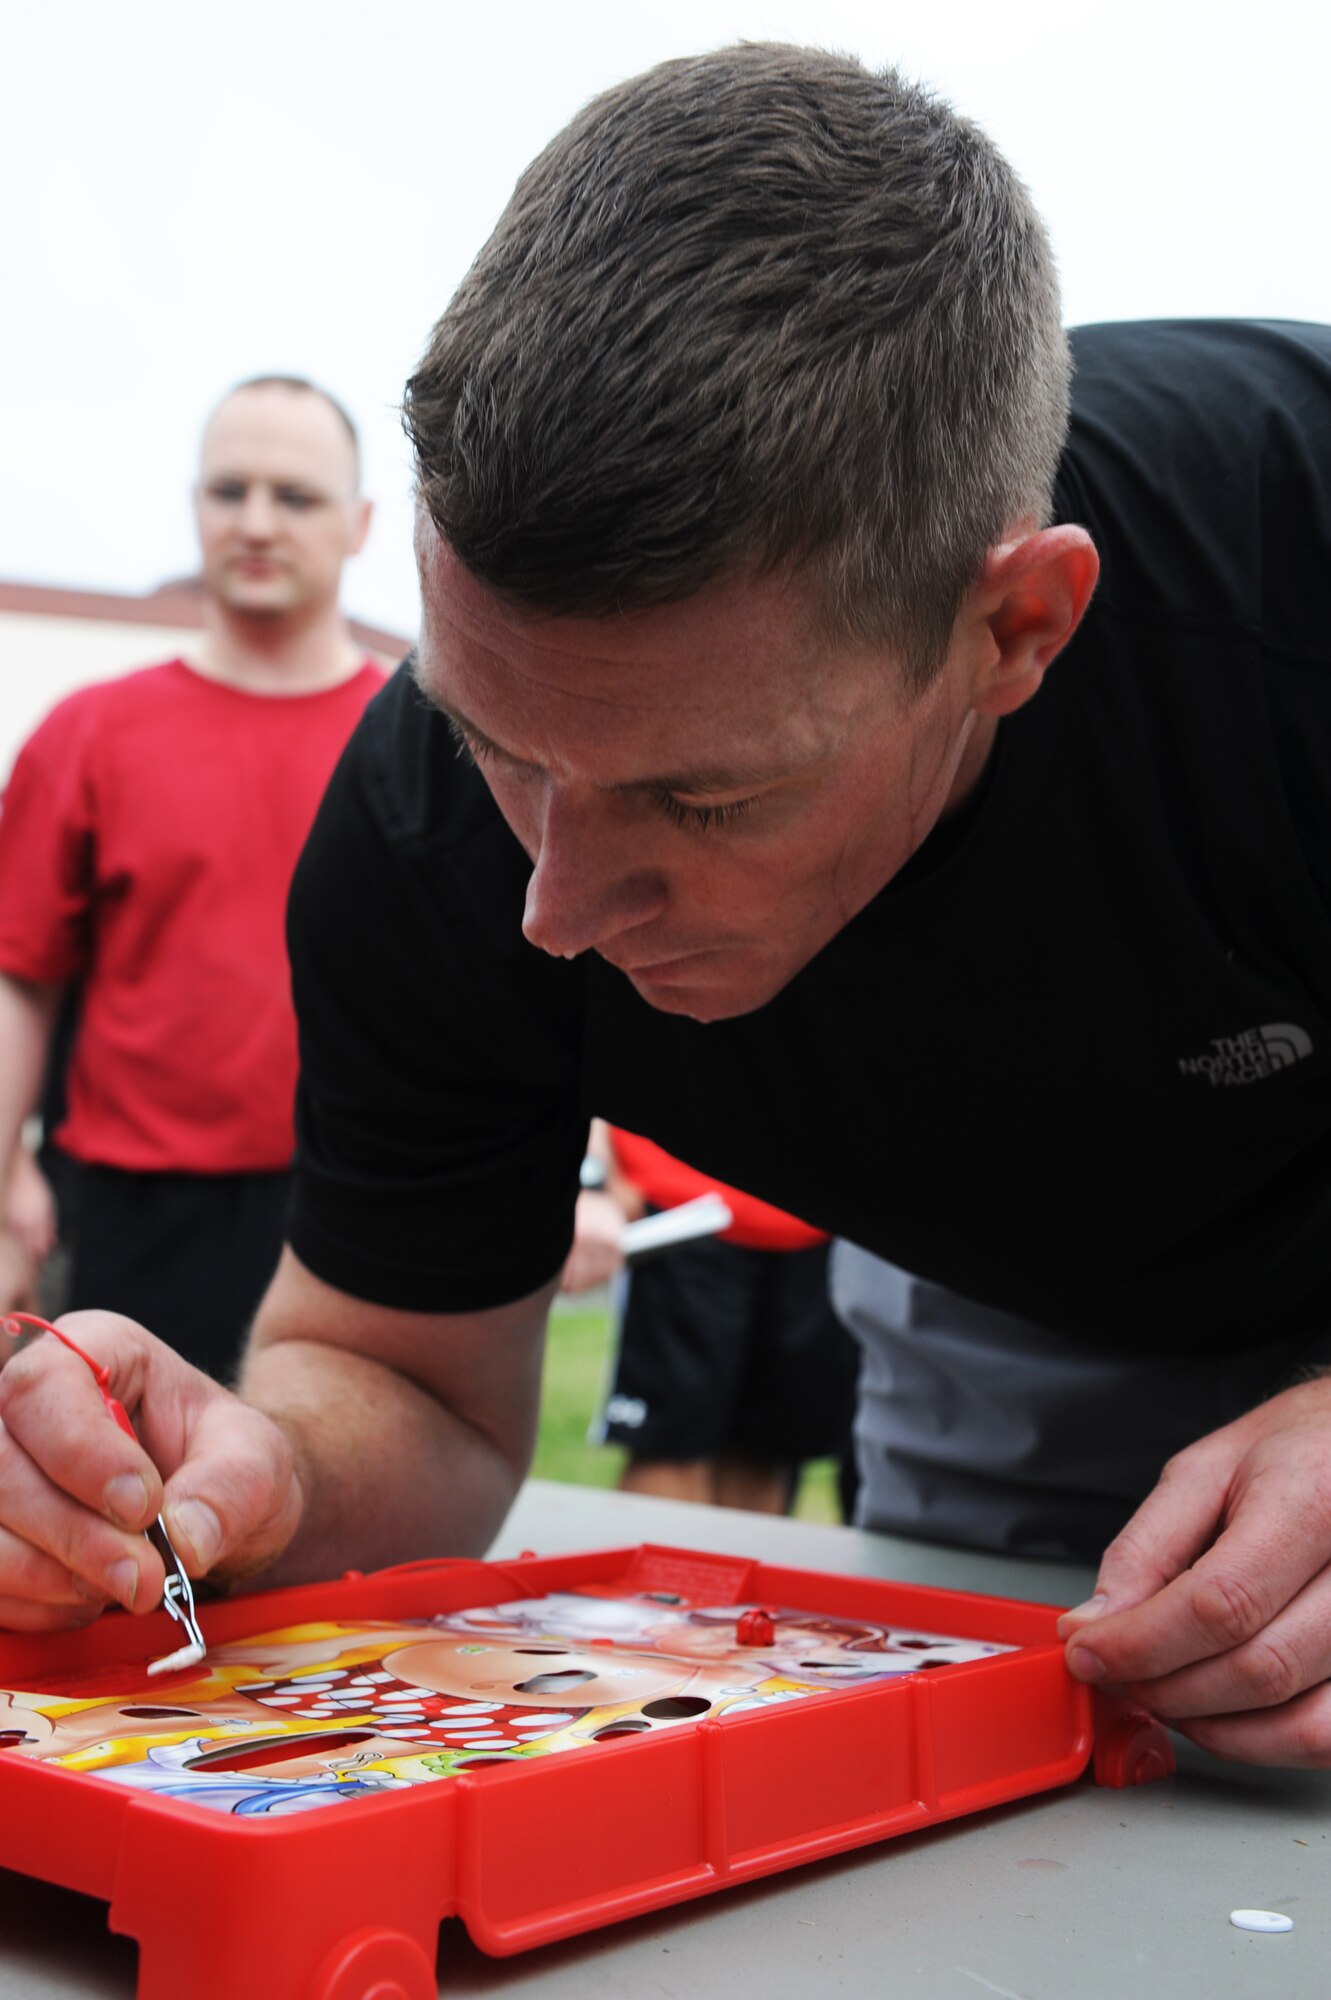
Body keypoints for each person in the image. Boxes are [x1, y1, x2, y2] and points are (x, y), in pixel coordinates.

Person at [0, 45, 1328, 1772]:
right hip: (992, 1320)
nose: (553, 904)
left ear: (1017, 630)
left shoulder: (1288, 567)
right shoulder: (416, 832)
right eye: (497, 742)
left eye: (706, 796)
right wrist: (267, 1475)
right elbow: (412, 1375)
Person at [0, 376, 384, 1378]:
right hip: (133, 1211)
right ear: (195, 505)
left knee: (324, 1515)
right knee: (124, 1509)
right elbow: (18, 977)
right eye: (229, 490)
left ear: (361, 523)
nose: (256, 522)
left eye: (294, 496)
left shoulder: (420, 748)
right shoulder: (90, 731)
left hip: (356, 1205)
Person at [567, 1122, 859, 1515]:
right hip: (679, 1208)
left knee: (766, 1451)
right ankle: (653, 1581)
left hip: (814, 1223)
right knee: (670, 1449)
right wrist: (592, 1174)